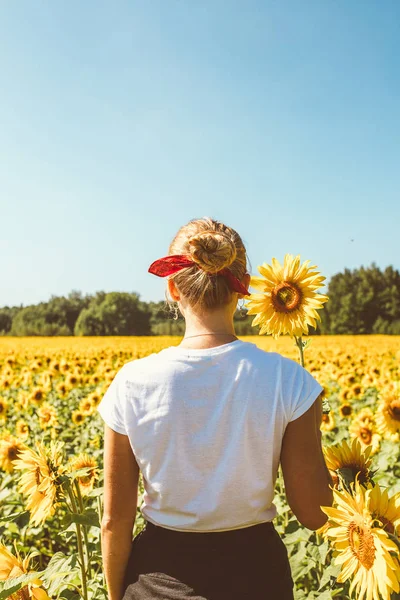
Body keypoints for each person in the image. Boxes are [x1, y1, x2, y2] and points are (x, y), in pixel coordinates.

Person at [97, 216, 333, 600]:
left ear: (172, 288)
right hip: (258, 579)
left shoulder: (133, 381)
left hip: (157, 582)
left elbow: (114, 521)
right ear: (243, 290)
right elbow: (313, 513)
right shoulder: (288, 380)